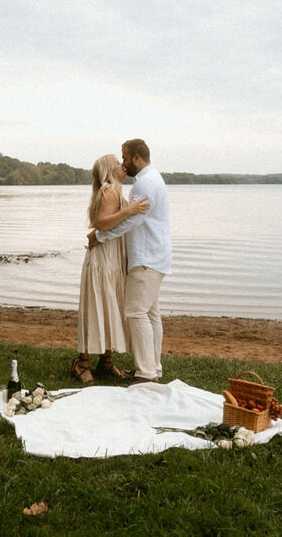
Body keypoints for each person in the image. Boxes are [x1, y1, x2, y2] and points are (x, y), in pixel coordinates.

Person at [87, 139, 171, 386]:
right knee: (151, 314)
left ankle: (145, 373)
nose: (123, 163)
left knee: (135, 313)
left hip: (146, 257)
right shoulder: (154, 178)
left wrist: (100, 236)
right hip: (157, 256)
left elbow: (133, 220)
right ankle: (154, 367)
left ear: (136, 157)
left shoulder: (144, 183)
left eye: (124, 157)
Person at [71, 154, 150, 384]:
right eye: (116, 163)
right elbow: (104, 224)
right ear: (108, 170)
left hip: (111, 258)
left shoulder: (114, 191)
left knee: (109, 305)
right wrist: (131, 210)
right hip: (102, 260)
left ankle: (106, 362)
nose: (121, 165)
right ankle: (81, 364)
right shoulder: (108, 191)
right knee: (95, 306)